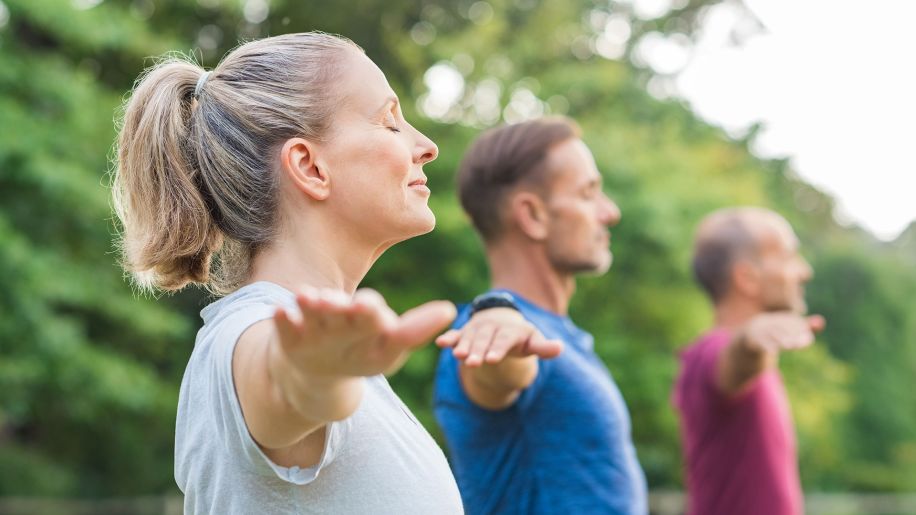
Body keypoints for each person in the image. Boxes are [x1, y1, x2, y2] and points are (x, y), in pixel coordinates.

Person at [112, 32, 467, 514]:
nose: (426, 146)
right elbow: (281, 382)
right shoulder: (247, 337)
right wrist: (312, 373)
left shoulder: (339, 362)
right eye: (390, 121)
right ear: (310, 166)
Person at [433, 117, 648, 514]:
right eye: (588, 194)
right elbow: (500, 369)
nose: (610, 212)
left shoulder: (559, 336)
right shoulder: (488, 335)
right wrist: (500, 326)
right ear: (533, 215)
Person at [672, 207, 825, 515]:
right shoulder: (708, 354)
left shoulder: (760, 367)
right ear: (747, 278)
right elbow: (735, 359)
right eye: (788, 256)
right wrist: (750, 337)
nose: (804, 271)